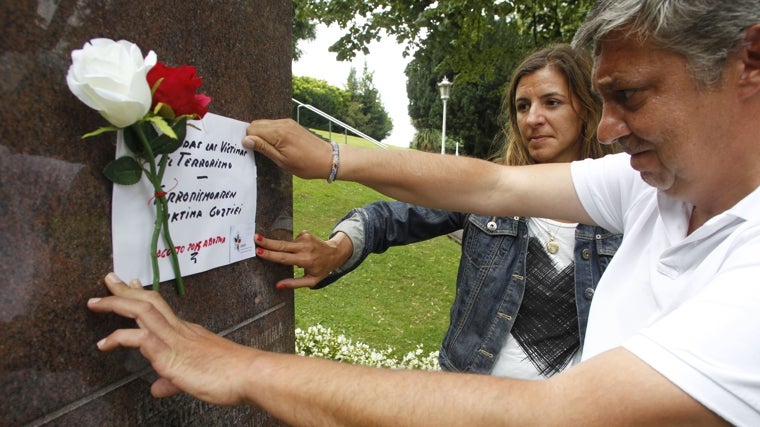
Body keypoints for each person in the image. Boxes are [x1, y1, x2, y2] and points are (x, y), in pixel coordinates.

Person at [88, 1, 760, 424]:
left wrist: (241, 365)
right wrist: (331, 158)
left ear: (749, 62)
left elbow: (562, 413)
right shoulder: (656, 183)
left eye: (632, 96)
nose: (611, 128)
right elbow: (489, 186)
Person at [255, 43, 621, 379]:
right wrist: (337, 248)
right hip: (466, 401)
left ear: (586, 110)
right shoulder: (488, 195)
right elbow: (390, 218)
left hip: (573, 410)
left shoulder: (626, 206)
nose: (532, 118)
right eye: (523, 106)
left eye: (551, 102)